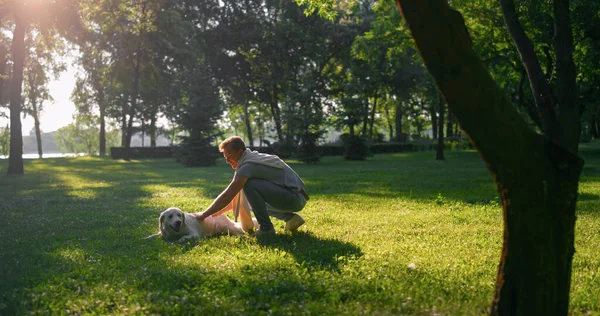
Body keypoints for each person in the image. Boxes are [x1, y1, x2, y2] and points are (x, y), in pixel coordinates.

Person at [195, 136, 309, 237]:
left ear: (239, 152)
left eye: (229, 156)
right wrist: (215, 213)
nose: (227, 161)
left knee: (249, 185)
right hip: (295, 197)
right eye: (225, 158)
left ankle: (266, 229)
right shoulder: (249, 159)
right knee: (247, 201)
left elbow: (228, 195)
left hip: (295, 198)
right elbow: (237, 200)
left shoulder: (248, 166)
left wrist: (204, 215)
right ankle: (290, 219)